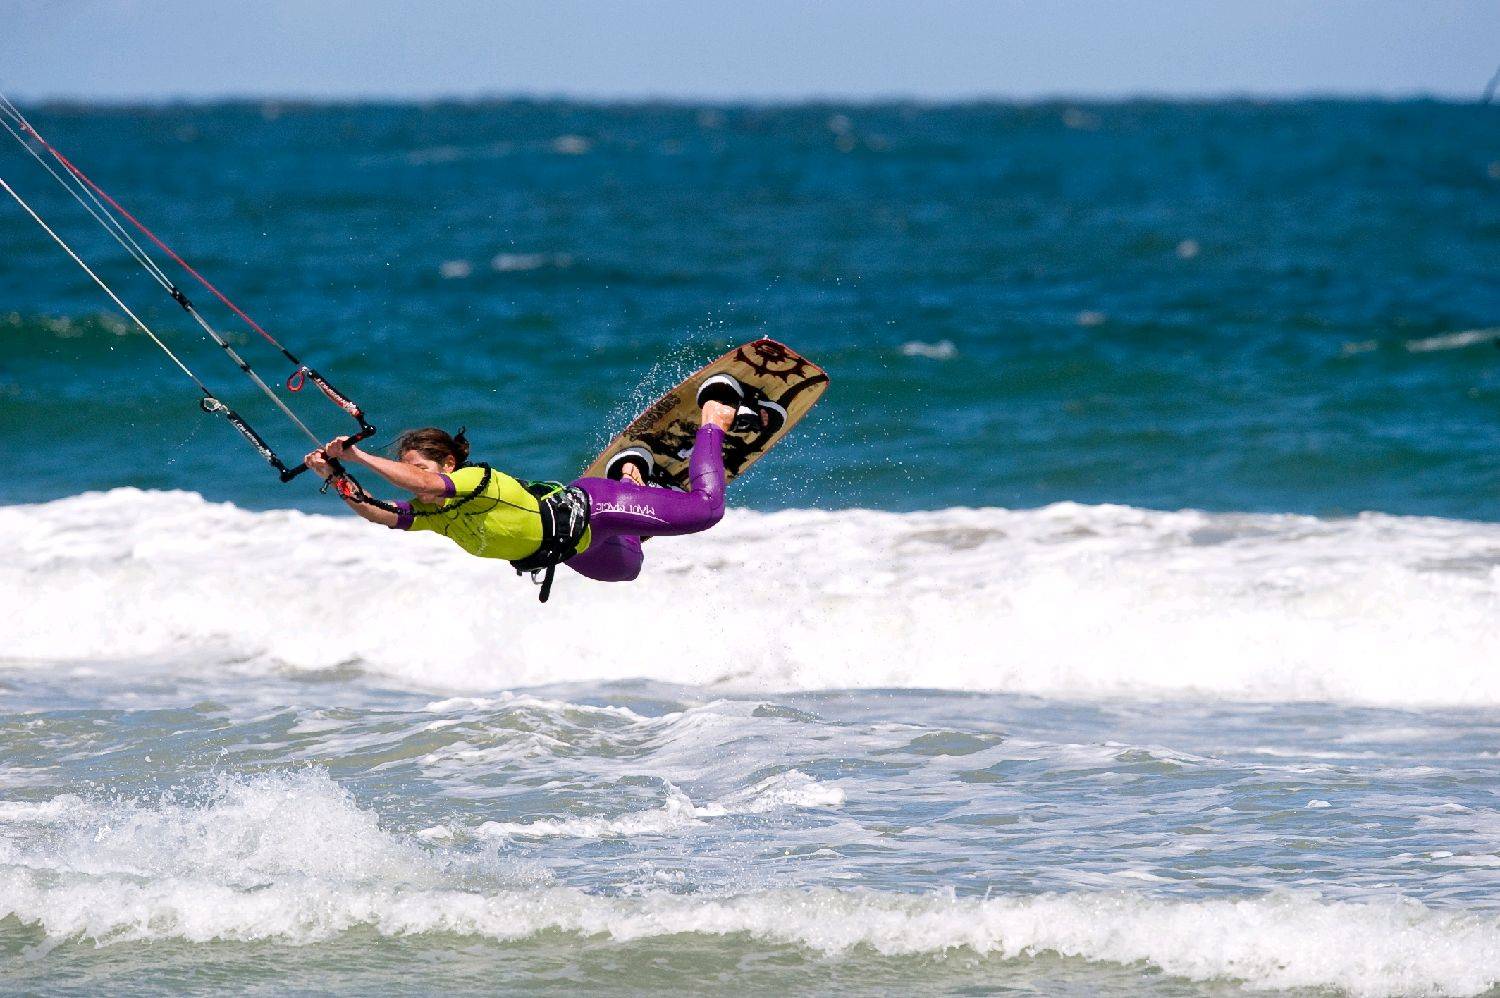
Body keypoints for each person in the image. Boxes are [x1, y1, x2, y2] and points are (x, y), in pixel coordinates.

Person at [303, 374, 782, 585]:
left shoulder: (473, 480)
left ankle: (715, 413)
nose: (413, 481)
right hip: (572, 551)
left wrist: (357, 455)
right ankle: (633, 474)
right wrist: (335, 474)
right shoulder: (435, 515)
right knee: (627, 570)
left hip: (592, 509)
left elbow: (425, 485)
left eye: (419, 468)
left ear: (447, 463)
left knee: (706, 511)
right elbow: (377, 512)